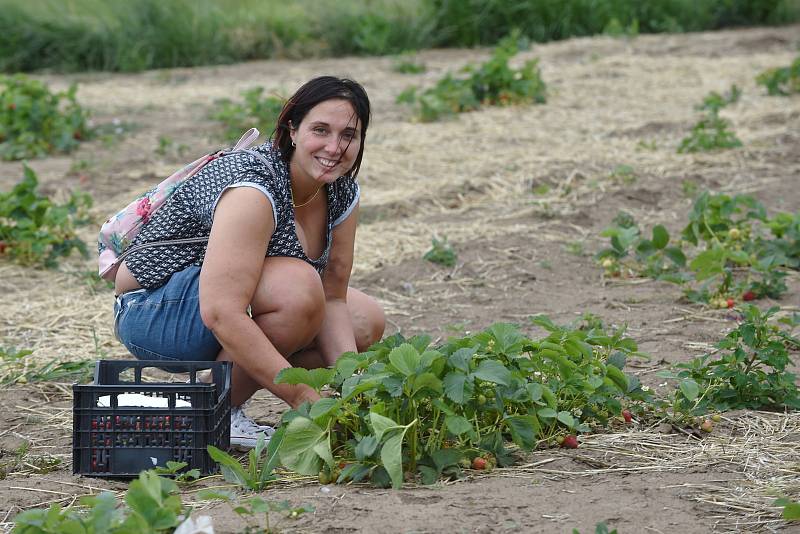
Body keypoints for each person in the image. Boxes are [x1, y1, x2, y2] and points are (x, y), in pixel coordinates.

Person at [111, 76, 385, 448]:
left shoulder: (341, 192)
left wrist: (357, 395)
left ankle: (206, 399)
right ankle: (216, 409)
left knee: (364, 320)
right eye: (320, 130)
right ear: (292, 128)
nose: (334, 147)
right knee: (297, 292)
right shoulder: (253, 188)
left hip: (219, 302)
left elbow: (333, 298)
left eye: (348, 135)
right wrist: (306, 400)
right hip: (157, 309)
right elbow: (222, 312)